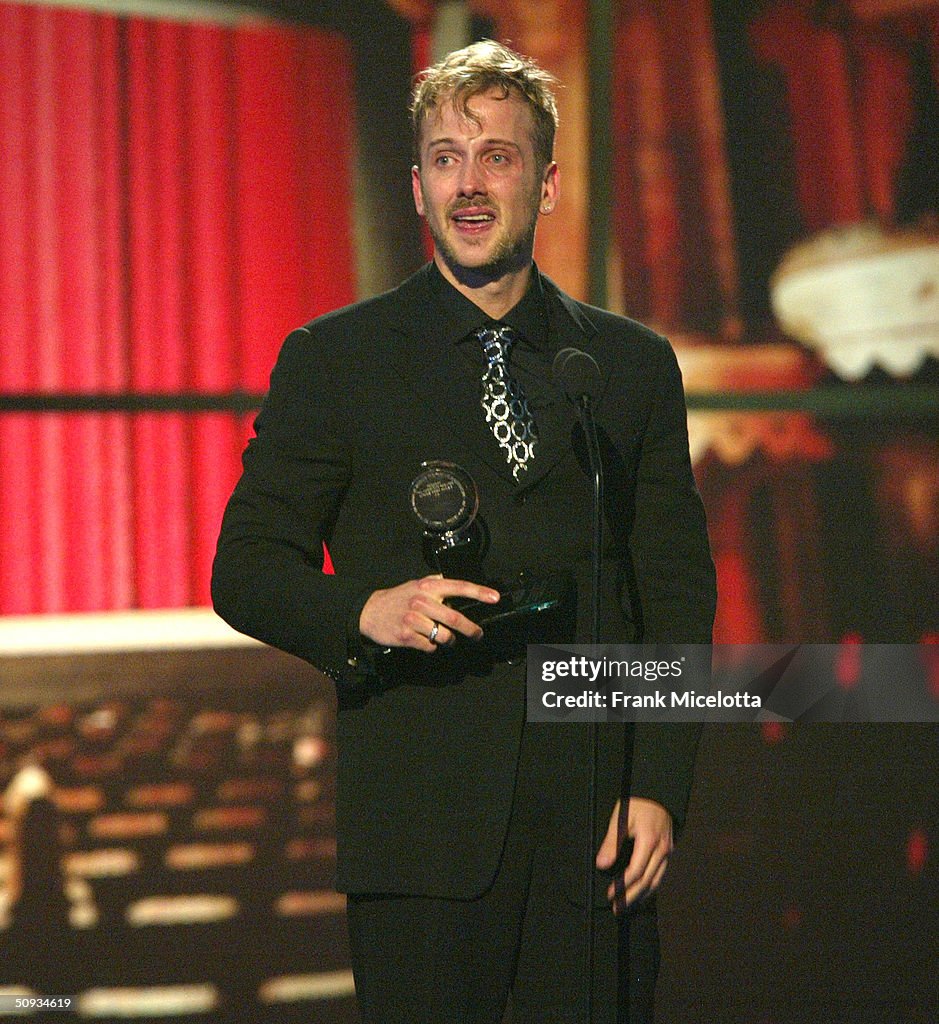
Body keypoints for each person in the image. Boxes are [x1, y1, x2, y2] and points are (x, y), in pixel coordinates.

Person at [212, 39, 715, 1024]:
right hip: (423, 837)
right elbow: (245, 567)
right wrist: (366, 608)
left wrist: (656, 785)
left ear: (549, 182)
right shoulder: (335, 360)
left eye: (498, 156)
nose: (470, 185)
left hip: (596, 832)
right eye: (446, 157)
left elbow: (675, 590)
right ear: (414, 187)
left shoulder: (631, 364)